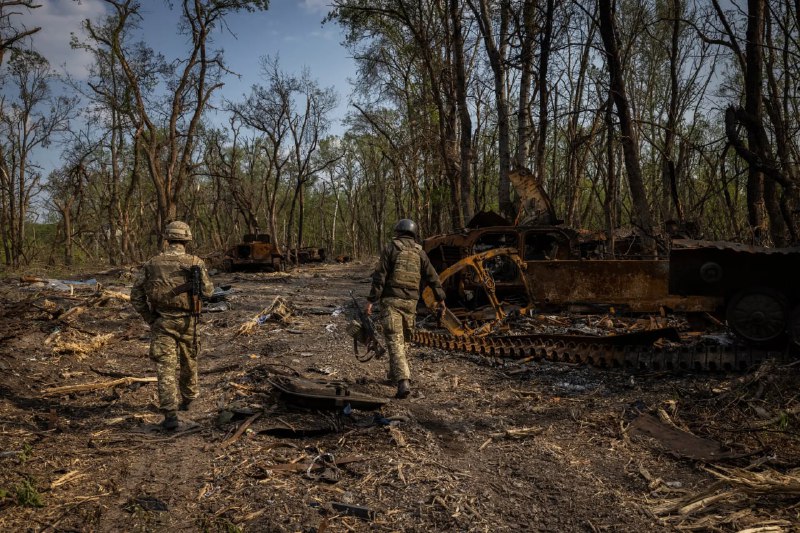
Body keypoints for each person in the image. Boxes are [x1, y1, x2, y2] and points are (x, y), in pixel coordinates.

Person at [130, 221, 214, 430]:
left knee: (165, 367)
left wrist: (149, 318)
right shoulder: (196, 262)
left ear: (167, 239)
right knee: (189, 360)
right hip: (189, 322)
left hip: (162, 321)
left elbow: (136, 295)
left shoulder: (152, 263)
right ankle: (189, 397)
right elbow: (209, 292)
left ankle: (170, 414)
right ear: (187, 238)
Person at [367, 219, 446, 398]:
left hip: (391, 301)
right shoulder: (420, 253)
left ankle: (403, 382)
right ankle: (394, 375)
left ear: (398, 232)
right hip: (411, 303)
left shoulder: (391, 248)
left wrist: (371, 300)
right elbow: (433, 277)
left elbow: (380, 276)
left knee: (395, 340)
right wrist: (441, 299)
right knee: (404, 340)